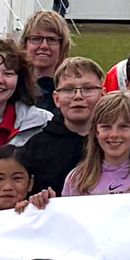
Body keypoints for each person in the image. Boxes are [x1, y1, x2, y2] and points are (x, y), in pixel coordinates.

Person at [18, 57, 105, 196]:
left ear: (103, 95)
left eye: (88, 89)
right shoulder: (36, 148)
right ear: (56, 99)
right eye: (68, 90)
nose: (78, 96)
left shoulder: (113, 143)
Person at [19, 10, 72, 111]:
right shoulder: (13, 86)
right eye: (36, 39)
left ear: (62, 46)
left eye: (51, 40)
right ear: (25, 44)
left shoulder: (70, 90)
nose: (44, 46)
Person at [0, 145, 51, 215]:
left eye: (17, 178)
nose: (7, 187)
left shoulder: (38, 215)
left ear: (30, 183)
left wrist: (48, 204)